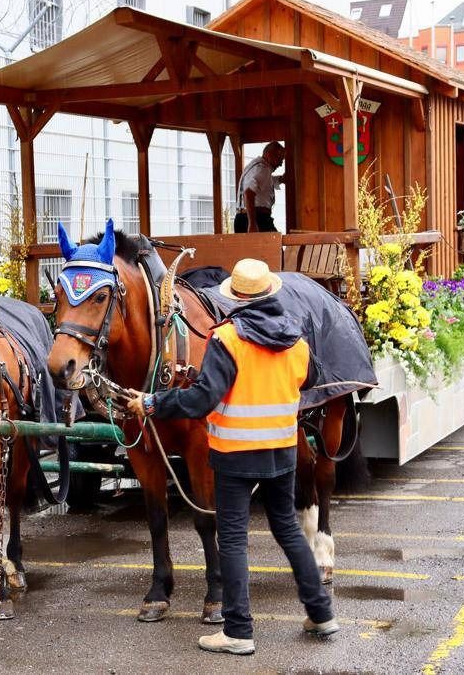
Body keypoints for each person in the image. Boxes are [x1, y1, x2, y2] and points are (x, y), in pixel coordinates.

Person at [125, 258, 338, 656]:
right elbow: (310, 379)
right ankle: (321, 612)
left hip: (237, 454)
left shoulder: (227, 339)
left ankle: (238, 630)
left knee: (235, 541)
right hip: (282, 450)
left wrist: (152, 402)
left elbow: (203, 399)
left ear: (235, 298)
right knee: (288, 531)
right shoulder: (296, 340)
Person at [234, 142, 285, 233]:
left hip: (243, 219)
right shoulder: (263, 169)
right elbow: (248, 193)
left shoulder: (255, 166)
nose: (280, 164)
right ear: (269, 154)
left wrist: (280, 179)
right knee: (274, 246)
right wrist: (252, 224)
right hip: (257, 219)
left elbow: (264, 183)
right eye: (280, 159)